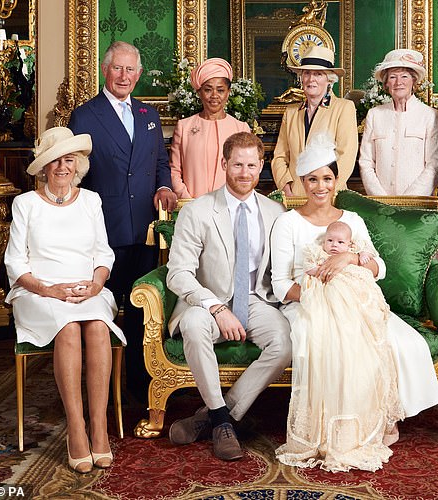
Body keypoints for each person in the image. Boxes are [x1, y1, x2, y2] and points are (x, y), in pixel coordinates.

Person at [271, 133, 438, 471]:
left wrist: (350, 260)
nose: (320, 186)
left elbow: (379, 268)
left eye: (327, 178)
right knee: (328, 343)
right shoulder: (286, 222)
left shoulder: (352, 221)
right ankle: (332, 430)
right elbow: (279, 285)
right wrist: (322, 297)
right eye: (313, 179)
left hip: (358, 300)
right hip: (308, 303)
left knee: (400, 340)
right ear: (303, 182)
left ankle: (378, 418)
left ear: (337, 181)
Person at [4, 127, 126, 473]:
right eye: (54, 161)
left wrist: (96, 283)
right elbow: (15, 262)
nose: (62, 167)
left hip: (88, 288)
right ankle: (76, 428)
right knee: (69, 328)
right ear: (43, 167)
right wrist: (49, 290)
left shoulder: (91, 201)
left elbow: (103, 253)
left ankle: (99, 429)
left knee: (99, 328)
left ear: (78, 165)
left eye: (68, 160)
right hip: (38, 291)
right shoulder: (25, 204)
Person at [166, 132, 291, 461]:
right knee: (193, 324)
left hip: (256, 299)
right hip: (208, 301)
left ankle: (215, 417)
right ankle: (223, 422)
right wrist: (216, 306)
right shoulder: (198, 211)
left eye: (251, 165)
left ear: (261, 166)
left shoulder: (275, 211)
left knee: (284, 342)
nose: (244, 172)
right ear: (224, 164)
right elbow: (178, 273)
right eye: (237, 164)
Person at [68, 41, 177, 396]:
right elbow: (75, 174)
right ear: (105, 70)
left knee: (143, 310)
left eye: (131, 70)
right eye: (118, 68)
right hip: (104, 229)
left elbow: (160, 163)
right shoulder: (85, 116)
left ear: (139, 74)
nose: (124, 76)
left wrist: (164, 188)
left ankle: (141, 387)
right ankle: (105, 389)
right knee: (104, 310)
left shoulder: (149, 115)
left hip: (143, 229)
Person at [272, 45, 358, 196]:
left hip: (329, 196)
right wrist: (286, 186)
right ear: (301, 78)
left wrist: (327, 190)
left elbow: (346, 156)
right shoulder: (291, 112)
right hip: (295, 196)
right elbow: (280, 156)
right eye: (307, 73)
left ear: (329, 79)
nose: (311, 79)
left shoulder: (344, 108)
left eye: (318, 74)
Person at [359, 49, 438, 196]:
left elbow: (434, 164)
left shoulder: (429, 115)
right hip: (380, 204)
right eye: (392, 77)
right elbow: (366, 162)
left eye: (404, 76)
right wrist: (380, 199)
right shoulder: (375, 115)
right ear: (386, 84)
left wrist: (411, 199)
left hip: (417, 203)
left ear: (414, 81)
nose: (399, 82)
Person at [170, 57, 250, 199]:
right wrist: (187, 200)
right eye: (208, 90)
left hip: (230, 206)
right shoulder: (184, 127)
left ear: (228, 93)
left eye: (220, 90)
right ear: (199, 92)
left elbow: (247, 172)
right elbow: (174, 170)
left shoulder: (241, 128)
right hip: (191, 206)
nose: (214, 96)